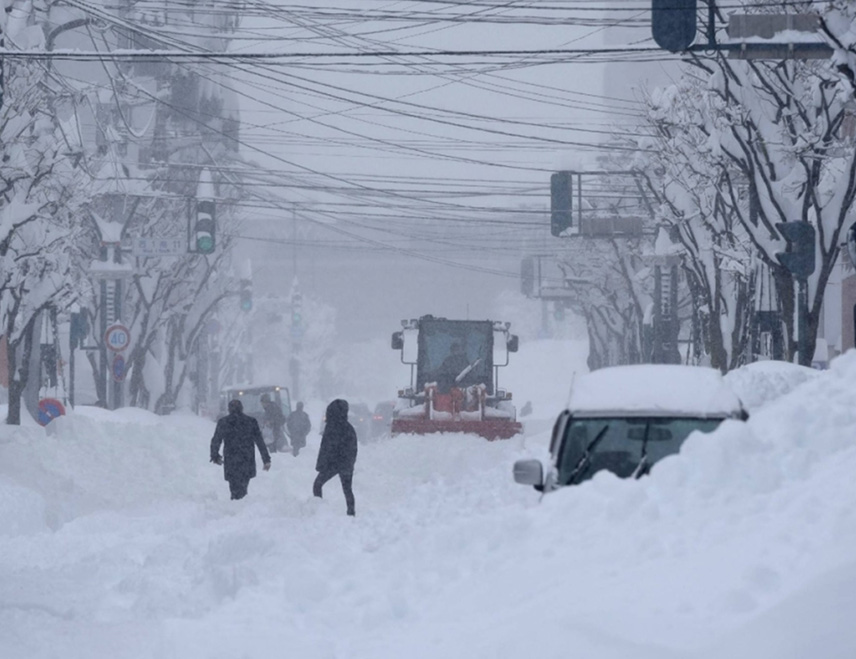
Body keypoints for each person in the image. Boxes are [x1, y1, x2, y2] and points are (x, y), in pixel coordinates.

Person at [210, 399, 271, 500]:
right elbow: (260, 442)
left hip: (231, 459)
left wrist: (215, 455)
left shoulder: (223, 422)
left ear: (229, 409)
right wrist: (266, 459)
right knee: (244, 484)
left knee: (233, 484)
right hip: (246, 458)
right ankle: (241, 501)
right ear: (242, 409)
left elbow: (216, 440)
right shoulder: (251, 422)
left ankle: (235, 500)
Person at [313, 399, 357, 516]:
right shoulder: (349, 428)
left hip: (332, 464)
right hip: (345, 464)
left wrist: (322, 465)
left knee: (317, 484)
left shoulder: (331, 427)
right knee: (347, 490)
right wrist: (349, 463)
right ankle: (351, 513)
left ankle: (319, 510)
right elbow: (353, 449)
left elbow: (326, 448)